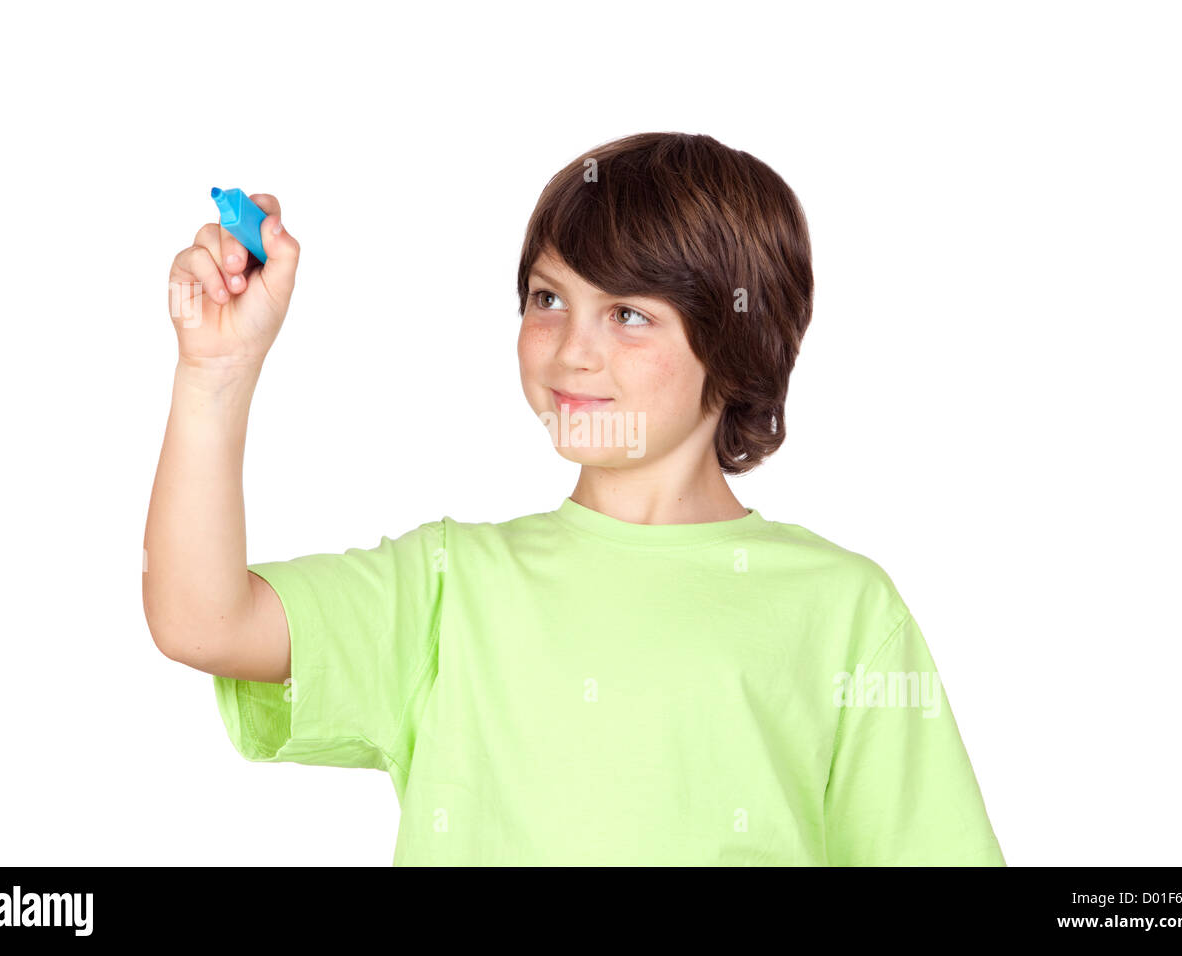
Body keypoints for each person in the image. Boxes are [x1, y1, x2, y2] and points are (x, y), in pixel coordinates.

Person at [143, 131, 1005, 866]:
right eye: (549, 299)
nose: (570, 352)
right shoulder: (451, 586)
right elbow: (201, 620)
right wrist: (216, 375)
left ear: (737, 340)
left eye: (628, 314)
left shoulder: (844, 609)